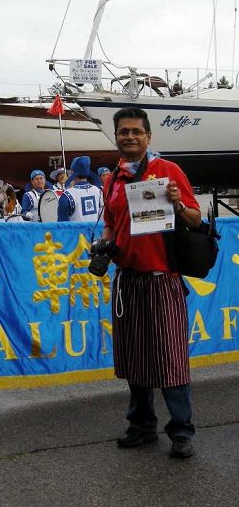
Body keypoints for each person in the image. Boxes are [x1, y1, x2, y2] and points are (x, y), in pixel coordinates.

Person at [100, 106, 201, 459]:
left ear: (148, 136)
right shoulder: (111, 178)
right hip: (127, 280)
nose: (129, 137)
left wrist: (177, 204)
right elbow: (111, 222)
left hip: (163, 279)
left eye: (135, 131)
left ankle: (181, 431)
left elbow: (195, 218)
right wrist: (106, 241)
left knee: (170, 357)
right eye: (123, 131)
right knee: (134, 357)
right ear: (116, 137)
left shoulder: (168, 171)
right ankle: (141, 426)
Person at [58, 157, 102, 222]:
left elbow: (61, 225)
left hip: (75, 232)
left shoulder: (67, 195)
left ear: (72, 172)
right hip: (95, 231)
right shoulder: (98, 191)